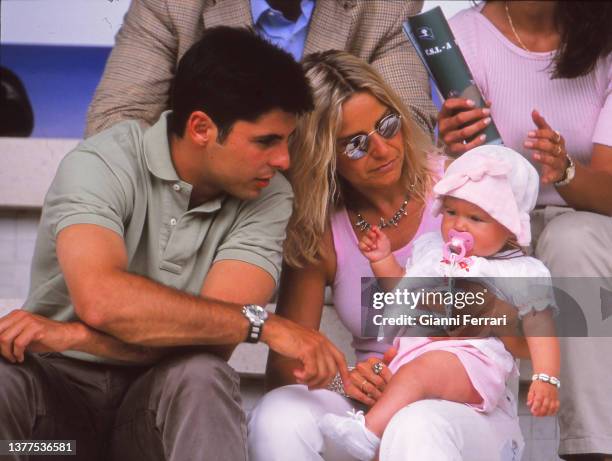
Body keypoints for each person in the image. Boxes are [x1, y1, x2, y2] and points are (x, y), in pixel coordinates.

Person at [0, 27, 351, 461]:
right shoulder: (101, 164)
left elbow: (209, 342)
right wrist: (265, 324)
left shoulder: (270, 194)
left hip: (149, 432)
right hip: (55, 443)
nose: (283, 161)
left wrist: (73, 335)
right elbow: (103, 300)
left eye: (287, 140)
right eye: (266, 141)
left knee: (201, 374)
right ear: (202, 127)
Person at [248, 50, 526, 461]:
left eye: (387, 125)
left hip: (469, 405)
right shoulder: (324, 228)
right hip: (370, 409)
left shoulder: (461, 186)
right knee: (279, 414)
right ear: (325, 155)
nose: (382, 148)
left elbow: (525, 333)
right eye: (356, 144)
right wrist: (347, 383)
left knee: (415, 427)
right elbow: (286, 365)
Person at [438, 2, 612, 459]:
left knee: (570, 242)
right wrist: (457, 152)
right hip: (492, 226)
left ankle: (592, 449)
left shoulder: (606, 39)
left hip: (586, 224)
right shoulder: (461, 36)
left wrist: (566, 169)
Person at [319, 145, 560, 461]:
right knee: (400, 419)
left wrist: (546, 377)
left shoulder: (519, 269)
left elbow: (541, 327)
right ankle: (375, 443)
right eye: (451, 212)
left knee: (418, 377)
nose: (459, 225)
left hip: (474, 363)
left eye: (476, 218)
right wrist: (382, 260)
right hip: (417, 357)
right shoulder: (432, 249)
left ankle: (364, 433)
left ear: (511, 229)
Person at [85, 0, 437, 138]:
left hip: (331, 226)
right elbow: (114, 124)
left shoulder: (388, 5)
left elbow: (408, 132)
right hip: (199, 221)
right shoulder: (172, 3)